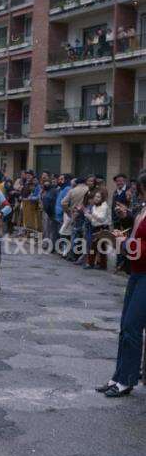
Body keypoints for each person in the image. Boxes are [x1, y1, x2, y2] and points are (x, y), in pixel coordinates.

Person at [96, 170, 146, 397]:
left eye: (139, 189)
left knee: (132, 328)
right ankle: (119, 376)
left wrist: (123, 243)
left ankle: (126, 379)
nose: (136, 192)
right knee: (126, 327)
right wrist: (125, 238)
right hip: (137, 273)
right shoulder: (143, 208)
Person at [83, 190, 111, 269]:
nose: (96, 198)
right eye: (95, 196)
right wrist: (87, 214)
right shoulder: (95, 206)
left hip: (102, 228)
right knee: (95, 247)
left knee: (99, 247)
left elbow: (101, 218)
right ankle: (95, 263)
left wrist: (92, 213)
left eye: (98, 197)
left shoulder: (104, 206)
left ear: (102, 198)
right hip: (95, 227)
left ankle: (97, 264)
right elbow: (93, 220)